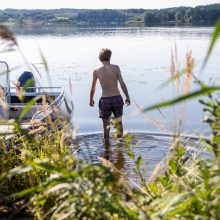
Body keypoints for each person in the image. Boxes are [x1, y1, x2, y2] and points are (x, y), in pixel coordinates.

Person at [89, 48, 130, 142]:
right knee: (119, 125)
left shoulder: (96, 71)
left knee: (106, 128)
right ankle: (120, 148)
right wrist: (127, 97)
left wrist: (91, 100)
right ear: (109, 57)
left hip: (105, 100)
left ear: (100, 58)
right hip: (117, 98)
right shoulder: (116, 68)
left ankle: (106, 150)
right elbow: (122, 84)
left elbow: (93, 88)